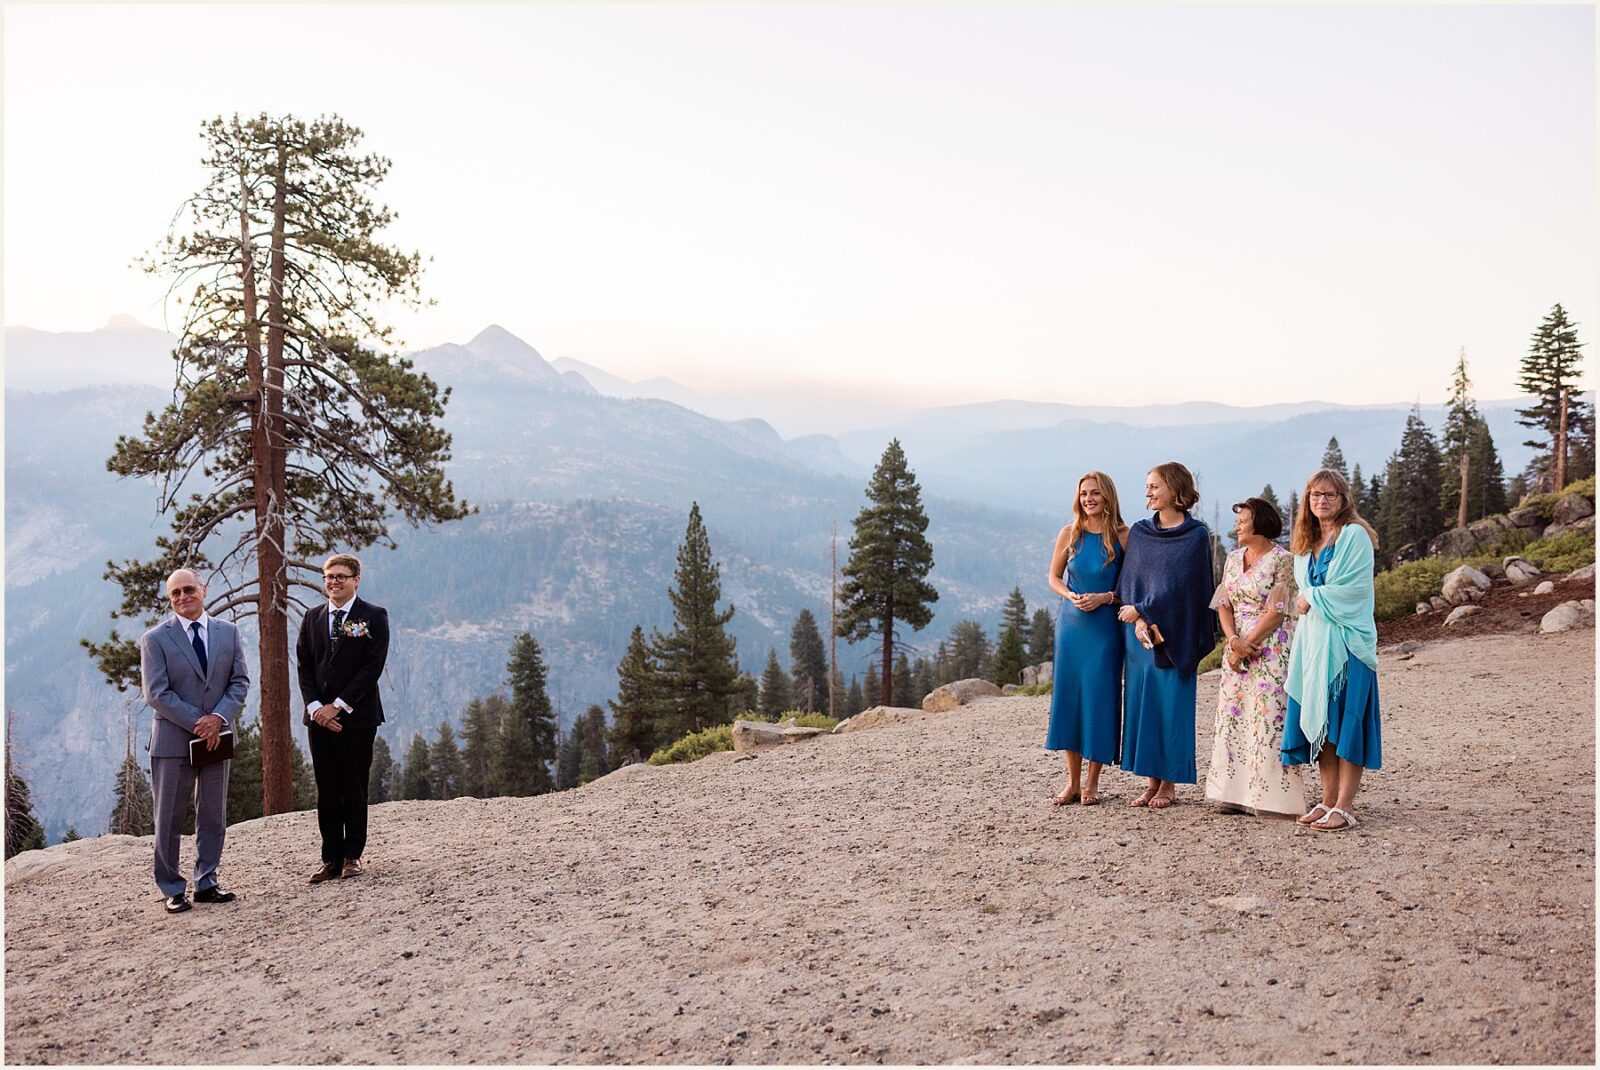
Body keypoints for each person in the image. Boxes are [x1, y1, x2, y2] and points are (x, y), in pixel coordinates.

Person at [140, 568, 250, 914]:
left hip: (217, 739)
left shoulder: (227, 633)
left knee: (213, 815)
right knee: (169, 819)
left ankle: (207, 882)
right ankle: (172, 888)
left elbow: (240, 682)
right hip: (173, 741)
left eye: (189, 589)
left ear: (203, 590)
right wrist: (198, 721)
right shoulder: (155, 639)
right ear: (170, 599)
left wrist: (218, 719)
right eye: (175, 593)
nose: (183, 597)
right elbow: (155, 693)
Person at [1281, 469, 1381, 832]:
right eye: (1315, 495)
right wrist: (1306, 598)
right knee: (1323, 721)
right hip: (1314, 644)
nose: (1322, 501)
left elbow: (1353, 590)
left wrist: (1312, 597)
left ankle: (1346, 804)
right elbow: (1301, 591)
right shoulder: (1306, 543)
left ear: (1343, 500)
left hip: (1348, 643)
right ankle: (1326, 800)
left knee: (1348, 721)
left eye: (1330, 495)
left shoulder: (1354, 536)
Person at [1114, 461, 1216, 809]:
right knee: (1144, 708)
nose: (1148, 492)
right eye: (1147, 486)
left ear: (1174, 488)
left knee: (1170, 708)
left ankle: (1169, 785)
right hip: (1140, 637)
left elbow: (1190, 591)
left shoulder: (1196, 535)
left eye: (1155, 486)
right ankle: (1150, 781)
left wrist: (1144, 609)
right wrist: (1137, 616)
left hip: (1176, 634)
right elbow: (1131, 582)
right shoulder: (1141, 533)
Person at [1203, 498, 1307, 817]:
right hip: (1237, 647)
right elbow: (1223, 602)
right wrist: (1233, 641)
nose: (1237, 526)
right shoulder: (1233, 559)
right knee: (1234, 716)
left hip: (1271, 648)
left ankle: (1270, 798)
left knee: (1267, 717)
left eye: (1243, 520)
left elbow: (1278, 611)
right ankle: (1233, 794)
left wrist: (1249, 642)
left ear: (1259, 523)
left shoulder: (1283, 560)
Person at [296, 553, 390, 881]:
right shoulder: (312, 618)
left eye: (340, 576)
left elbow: (371, 668)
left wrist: (338, 705)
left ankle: (352, 855)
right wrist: (316, 709)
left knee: (353, 786)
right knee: (327, 789)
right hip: (319, 720)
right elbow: (304, 666)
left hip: (357, 717)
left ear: (356, 580)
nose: (333, 582)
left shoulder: (373, 617)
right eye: (328, 577)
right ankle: (330, 858)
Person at [1044, 471, 1129, 806]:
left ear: (1107, 496)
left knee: (1099, 700)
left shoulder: (1124, 536)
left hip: (1105, 629)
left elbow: (1131, 587)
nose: (1088, 499)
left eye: (1094, 493)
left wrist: (1105, 597)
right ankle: (1073, 782)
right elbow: (1053, 576)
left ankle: (1093, 783)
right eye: (1083, 494)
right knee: (1071, 700)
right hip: (1071, 627)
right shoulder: (1070, 533)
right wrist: (1069, 595)